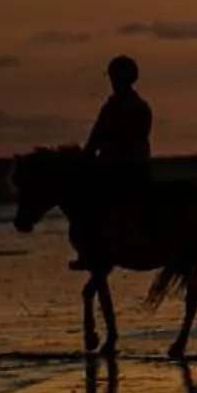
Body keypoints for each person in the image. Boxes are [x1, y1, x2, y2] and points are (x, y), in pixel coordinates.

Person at [75, 55, 153, 267]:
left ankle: (92, 250)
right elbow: (98, 137)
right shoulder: (135, 106)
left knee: (89, 202)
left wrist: (92, 157)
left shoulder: (120, 107)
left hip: (123, 167)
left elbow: (99, 138)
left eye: (115, 77)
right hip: (134, 165)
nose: (113, 81)